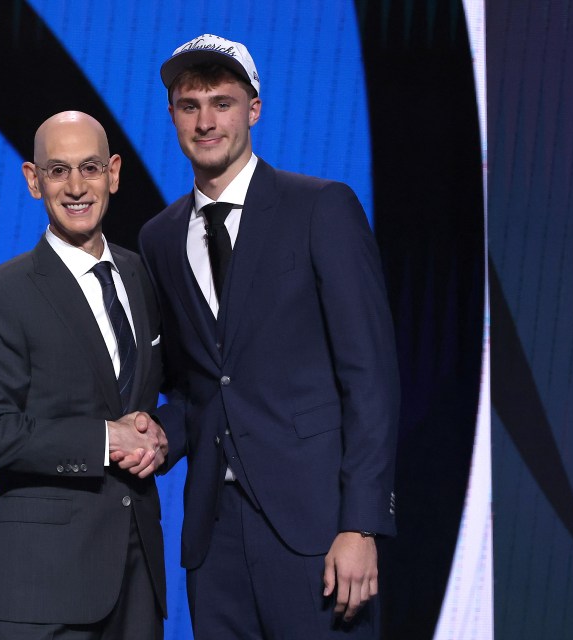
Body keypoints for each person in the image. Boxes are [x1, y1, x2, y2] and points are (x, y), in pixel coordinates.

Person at [138, 34, 400, 638]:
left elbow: (370, 376)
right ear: (173, 114)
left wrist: (360, 525)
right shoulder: (159, 237)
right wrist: (154, 436)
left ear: (254, 109)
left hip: (317, 529)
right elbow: (195, 387)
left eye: (222, 103)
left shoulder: (321, 208)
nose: (206, 121)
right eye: (189, 104)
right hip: (215, 536)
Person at [0, 111, 168, 640]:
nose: (77, 187)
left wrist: (161, 436)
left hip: (137, 576)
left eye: (90, 168)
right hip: (42, 584)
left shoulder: (140, 275)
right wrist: (104, 439)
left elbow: (168, 391)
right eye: (58, 171)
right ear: (34, 180)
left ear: (114, 173)